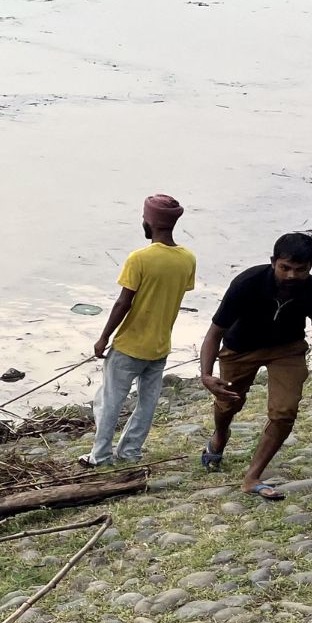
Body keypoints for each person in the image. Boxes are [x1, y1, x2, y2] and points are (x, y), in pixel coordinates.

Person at [199, 233, 312, 501]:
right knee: (229, 403)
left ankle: (252, 477)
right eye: (285, 268)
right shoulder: (247, 283)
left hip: (287, 350)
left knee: (284, 411)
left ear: (310, 267)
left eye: (301, 270)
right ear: (273, 262)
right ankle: (219, 435)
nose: (291, 276)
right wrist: (206, 375)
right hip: (240, 348)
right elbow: (215, 331)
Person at [77, 195, 196, 468]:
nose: (143, 221)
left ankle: (101, 456)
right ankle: (130, 452)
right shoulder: (187, 259)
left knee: (109, 401)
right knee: (147, 404)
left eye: (144, 217)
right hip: (160, 346)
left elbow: (124, 302)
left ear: (150, 221)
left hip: (130, 345)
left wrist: (103, 337)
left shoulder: (139, 258)